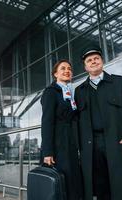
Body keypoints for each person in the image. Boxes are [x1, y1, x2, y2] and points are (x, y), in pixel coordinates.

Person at [75, 46, 122, 200]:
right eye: (89, 60)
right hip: (92, 146)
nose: (93, 61)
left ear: (102, 61)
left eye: (96, 58)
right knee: (101, 186)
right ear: (85, 67)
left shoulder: (119, 82)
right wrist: (78, 147)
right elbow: (76, 121)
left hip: (118, 140)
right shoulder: (79, 90)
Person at [41, 59, 83, 200]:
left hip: (71, 143)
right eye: (63, 68)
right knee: (62, 184)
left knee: (73, 182)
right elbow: (47, 122)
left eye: (69, 69)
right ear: (55, 74)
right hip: (58, 146)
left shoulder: (70, 93)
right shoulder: (51, 92)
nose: (67, 71)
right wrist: (48, 152)